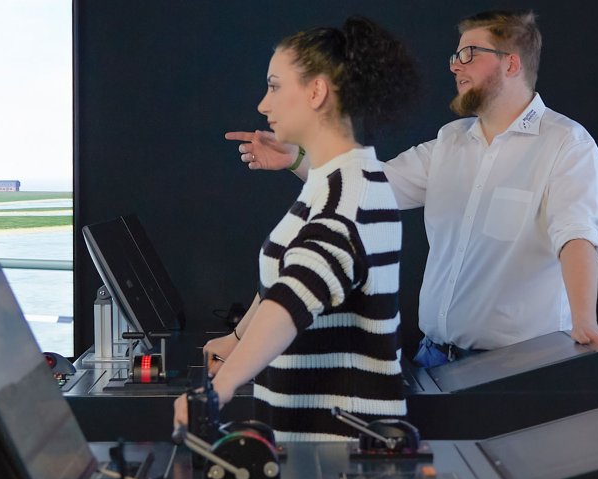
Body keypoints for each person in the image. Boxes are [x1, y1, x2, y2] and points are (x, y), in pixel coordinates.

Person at [222, 10, 598, 372]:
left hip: (514, 372)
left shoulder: (567, 146)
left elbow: (577, 236)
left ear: (511, 62)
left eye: (469, 55)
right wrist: (298, 158)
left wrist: (585, 323)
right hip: (434, 361)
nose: (455, 67)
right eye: (454, 57)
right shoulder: (450, 142)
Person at [173, 16, 422, 442]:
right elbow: (286, 274)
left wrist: (219, 388)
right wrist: (238, 337)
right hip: (313, 447)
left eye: (274, 86)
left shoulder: (349, 196)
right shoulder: (334, 181)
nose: (262, 105)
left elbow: (294, 297)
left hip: (336, 450)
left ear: (316, 91)